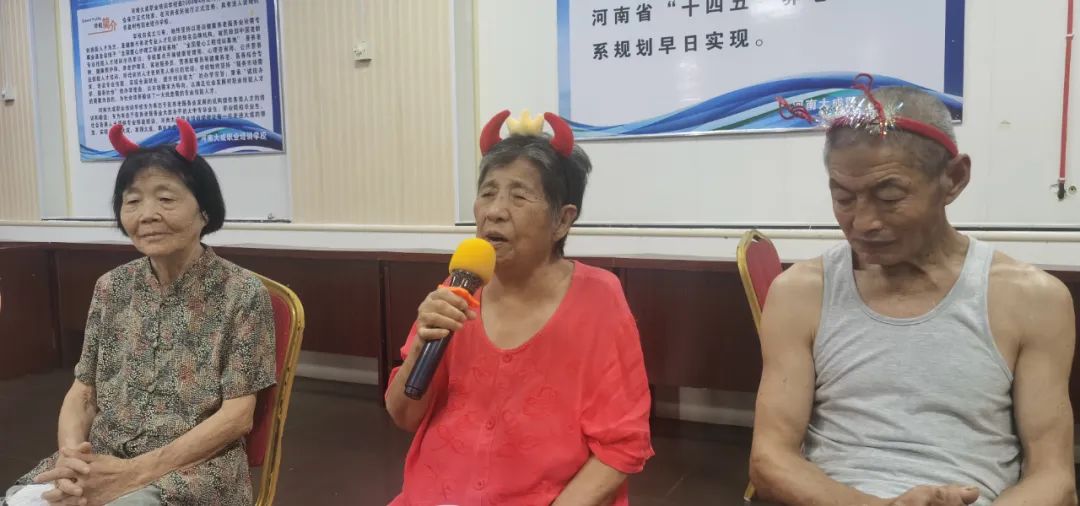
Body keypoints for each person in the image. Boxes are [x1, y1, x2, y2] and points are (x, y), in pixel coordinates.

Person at [750, 79, 1077, 505]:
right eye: (844, 198)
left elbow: (1054, 476)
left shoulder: (1033, 300)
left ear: (954, 179)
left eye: (889, 196)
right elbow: (770, 459)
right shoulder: (800, 293)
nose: (863, 222)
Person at [384, 110, 654, 505]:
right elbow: (404, 416)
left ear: (562, 221)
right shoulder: (458, 288)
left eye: (519, 196)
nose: (494, 211)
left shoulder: (599, 299)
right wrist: (421, 350)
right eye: (488, 193)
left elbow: (622, 447)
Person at [5, 119, 276, 506]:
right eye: (132, 201)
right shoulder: (111, 287)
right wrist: (72, 458)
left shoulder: (241, 293)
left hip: (191, 469)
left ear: (205, 211)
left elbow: (237, 416)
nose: (146, 214)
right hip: (104, 456)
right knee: (20, 501)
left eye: (166, 199)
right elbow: (83, 392)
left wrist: (133, 474)